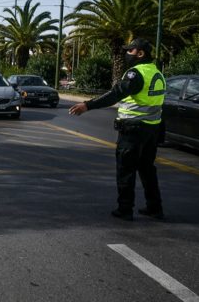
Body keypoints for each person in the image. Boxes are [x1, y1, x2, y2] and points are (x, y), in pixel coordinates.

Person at [68, 38, 166, 221]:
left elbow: (116, 94)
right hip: (152, 130)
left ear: (140, 53)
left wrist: (87, 105)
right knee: (147, 170)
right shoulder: (156, 72)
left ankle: (125, 209)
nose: (127, 54)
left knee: (125, 169)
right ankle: (155, 207)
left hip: (133, 130)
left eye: (130, 51)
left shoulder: (136, 74)